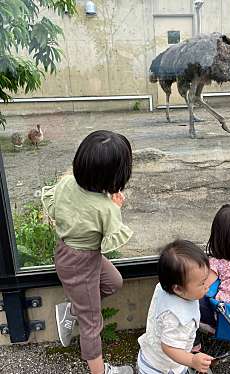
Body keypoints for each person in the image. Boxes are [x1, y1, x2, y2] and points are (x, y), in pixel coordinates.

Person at [41, 130, 134, 374]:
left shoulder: (67, 182)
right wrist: (115, 207)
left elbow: (56, 207)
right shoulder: (106, 208)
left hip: (72, 253)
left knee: (113, 282)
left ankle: (71, 310)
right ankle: (99, 371)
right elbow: (111, 240)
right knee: (91, 324)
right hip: (81, 262)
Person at [137, 240, 214, 374]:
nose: (207, 286)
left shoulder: (164, 287)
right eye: (202, 283)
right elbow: (169, 347)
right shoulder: (177, 318)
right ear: (178, 289)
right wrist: (192, 360)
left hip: (150, 354)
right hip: (163, 367)